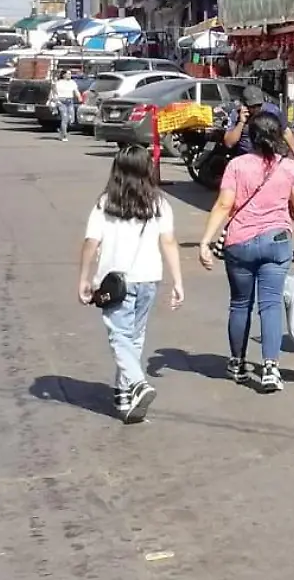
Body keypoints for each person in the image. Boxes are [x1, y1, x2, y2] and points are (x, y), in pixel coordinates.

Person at [197, 110, 294, 392]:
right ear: (278, 136)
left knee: (240, 304)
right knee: (271, 304)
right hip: (277, 242)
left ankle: (237, 364)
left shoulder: (237, 166)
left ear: (251, 135)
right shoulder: (288, 168)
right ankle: (270, 369)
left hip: (239, 242)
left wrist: (205, 240)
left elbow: (224, 205)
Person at [77, 145, 184, 423]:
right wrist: (177, 281)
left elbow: (91, 242)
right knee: (134, 337)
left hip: (115, 283)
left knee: (119, 336)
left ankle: (137, 383)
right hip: (149, 278)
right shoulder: (159, 202)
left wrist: (85, 278)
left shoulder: (105, 203)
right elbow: (169, 242)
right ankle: (124, 394)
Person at [221, 85, 284, 155]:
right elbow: (229, 143)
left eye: (259, 105)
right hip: (246, 155)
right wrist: (241, 122)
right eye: (252, 106)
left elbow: (286, 132)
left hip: (269, 154)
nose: (256, 109)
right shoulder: (236, 114)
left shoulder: (272, 110)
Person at [51, 68, 80, 141]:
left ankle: (61, 131)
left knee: (71, 119)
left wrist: (79, 97)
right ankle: (64, 135)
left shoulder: (72, 82)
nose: (70, 75)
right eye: (68, 74)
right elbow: (54, 93)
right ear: (64, 75)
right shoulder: (58, 83)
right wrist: (56, 101)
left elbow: (76, 91)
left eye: (70, 74)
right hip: (61, 101)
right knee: (64, 119)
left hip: (70, 101)